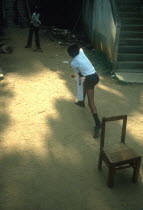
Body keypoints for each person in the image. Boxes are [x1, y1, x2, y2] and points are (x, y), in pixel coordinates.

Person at [67, 44, 101, 138]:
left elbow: (80, 75)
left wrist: (77, 74)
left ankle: (98, 123)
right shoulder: (81, 52)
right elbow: (80, 47)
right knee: (85, 84)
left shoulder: (73, 63)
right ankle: (81, 101)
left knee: (91, 103)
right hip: (95, 76)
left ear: (70, 55)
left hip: (90, 79)